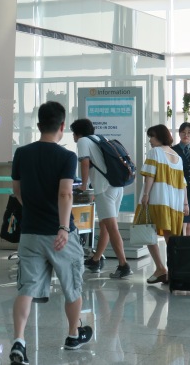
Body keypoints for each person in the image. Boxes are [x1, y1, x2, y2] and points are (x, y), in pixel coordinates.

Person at [9, 101, 92, 365]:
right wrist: (63, 227)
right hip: (59, 235)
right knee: (72, 286)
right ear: (62, 126)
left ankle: (19, 340)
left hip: (30, 232)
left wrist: (33, 210)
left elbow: (17, 191)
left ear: (38, 125)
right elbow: (66, 192)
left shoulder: (22, 153)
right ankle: (72, 334)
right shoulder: (66, 157)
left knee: (27, 287)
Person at [70, 119, 133, 279]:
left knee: (111, 227)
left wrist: (83, 185)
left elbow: (84, 163)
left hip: (104, 189)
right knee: (105, 225)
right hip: (116, 187)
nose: (73, 137)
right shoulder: (100, 139)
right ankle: (96, 260)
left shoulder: (83, 141)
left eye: (73, 134)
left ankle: (123, 265)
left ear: (78, 133)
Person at [138, 124, 188, 284]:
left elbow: (150, 176)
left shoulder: (155, 152)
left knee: (146, 230)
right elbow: (183, 183)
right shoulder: (177, 157)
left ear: (160, 136)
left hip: (156, 199)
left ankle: (161, 268)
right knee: (170, 237)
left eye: (152, 136)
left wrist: (145, 194)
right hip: (174, 202)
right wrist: (185, 203)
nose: (150, 141)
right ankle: (176, 270)